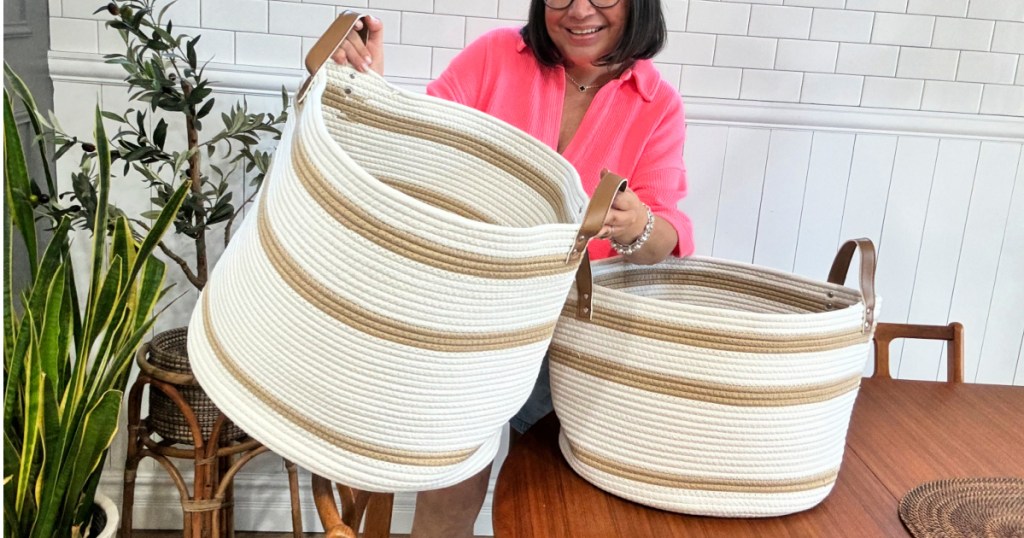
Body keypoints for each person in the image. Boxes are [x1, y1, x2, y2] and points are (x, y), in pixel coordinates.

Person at [334, 0, 694, 536]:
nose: (579, 11)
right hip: (466, 315)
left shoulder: (656, 102)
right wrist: (369, 86)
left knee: (545, 496)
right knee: (451, 483)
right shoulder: (496, 56)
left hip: (567, 330)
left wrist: (637, 221)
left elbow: (666, 236)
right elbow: (421, 150)